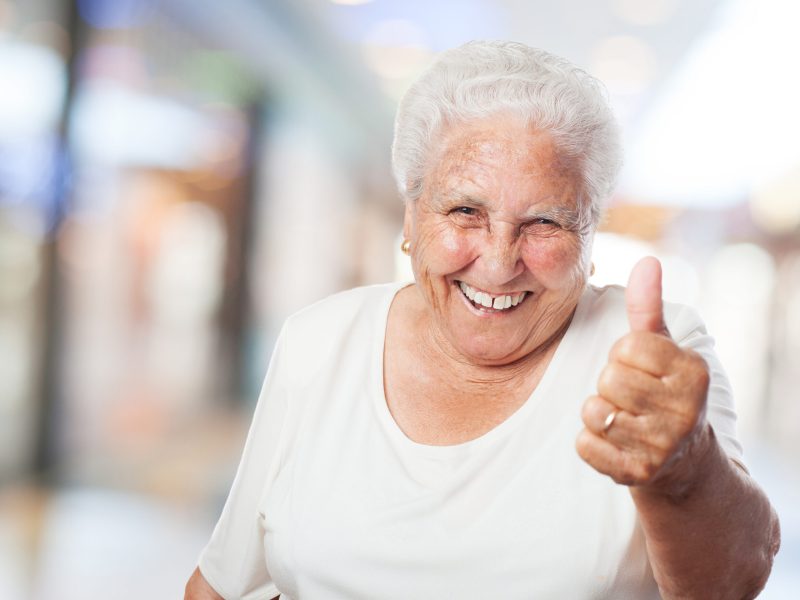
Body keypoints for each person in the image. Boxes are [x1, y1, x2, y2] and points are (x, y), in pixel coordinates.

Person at [185, 40, 780, 599]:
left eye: (545, 222)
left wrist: (686, 466)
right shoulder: (319, 340)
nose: (497, 265)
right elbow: (220, 582)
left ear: (591, 235)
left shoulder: (655, 357)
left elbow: (735, 581)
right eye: (465, 211)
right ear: (411, 221)